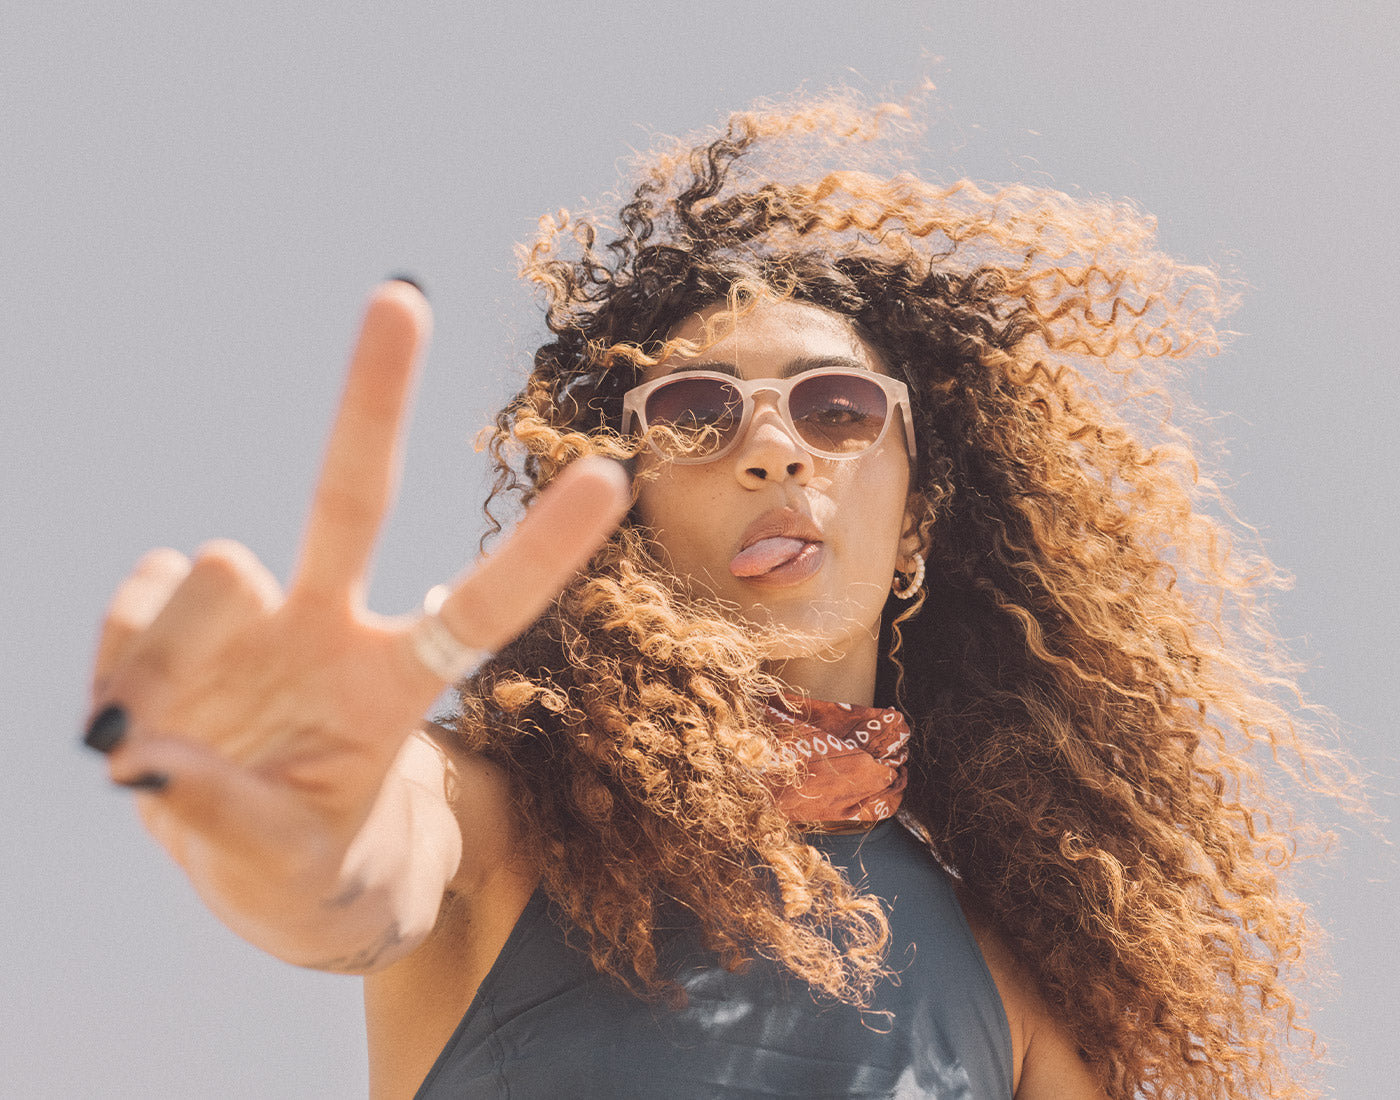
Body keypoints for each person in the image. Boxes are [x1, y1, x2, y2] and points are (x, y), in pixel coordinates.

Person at [84, 98, 1341, 1099]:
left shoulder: (1009, 984)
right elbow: (351, 878)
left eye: (835, 410)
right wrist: (293, 820)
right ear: (626, 518)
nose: (774, 448)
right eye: (694, 415)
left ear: (914, 526)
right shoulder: (503, 813)